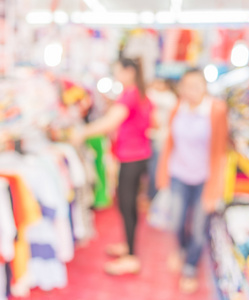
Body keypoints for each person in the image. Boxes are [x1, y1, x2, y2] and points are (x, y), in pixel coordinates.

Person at [71, 57, 154, 275]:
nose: (116, 76)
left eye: (118, 71)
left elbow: (110, 122)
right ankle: (128, 246)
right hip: (137, 155)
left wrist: (82, 133)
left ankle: (131, 257)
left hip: (131, 158)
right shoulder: (139, 93)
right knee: (128, 206)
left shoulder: (130, 94)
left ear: (128, 72)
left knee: (126, 206)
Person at [156, 69, 228, 293]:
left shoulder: (215, 110)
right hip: (179, 173)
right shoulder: (178, 107)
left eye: (197, 86)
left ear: (204, 87)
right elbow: (170, 143)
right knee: (176, 220)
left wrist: (215, 187)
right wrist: (163, 174)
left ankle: (190, 266)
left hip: (204, 178)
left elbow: (220, 151)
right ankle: (182, 249)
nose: (191, 91)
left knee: (199, 227)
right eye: (187, 86)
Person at [147, 79, 177, 201]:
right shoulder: (151, 94)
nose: (156, 85)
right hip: (151, 136)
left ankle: (156, 196)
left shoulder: (170, 98)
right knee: (151, 169)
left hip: (163, 139)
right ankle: (152, 195)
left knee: (157, 169)